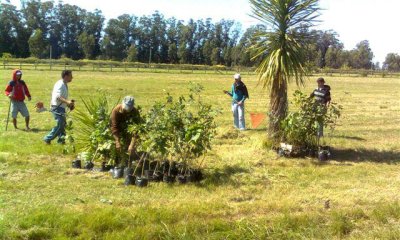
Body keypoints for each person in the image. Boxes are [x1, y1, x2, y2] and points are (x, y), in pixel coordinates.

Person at [43, 70, 75, 144]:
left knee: (63, 124)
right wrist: (67, 102)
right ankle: (47, 138)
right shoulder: (60, 84)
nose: (72, 77)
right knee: (61, 124)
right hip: (56, 107)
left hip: (61, 107)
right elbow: (58, 97)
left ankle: (61, 141)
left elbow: (62, 97)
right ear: (66, 76)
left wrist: (69, 104)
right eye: (71, 76)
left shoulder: (64, 84)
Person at [110, 96, 141, 164]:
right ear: (122, 103)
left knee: (131, 149)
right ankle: (117, 160)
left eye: (129, 108)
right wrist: (117, 141)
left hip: (128, 131)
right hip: (118, 130)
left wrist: (132, 144)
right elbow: (114, 127)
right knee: (116, 147)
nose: (127, 110)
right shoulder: (116, 111)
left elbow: (136, 130)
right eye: (126, 107)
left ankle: (132, 161)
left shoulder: (135, 112)